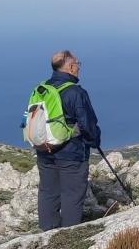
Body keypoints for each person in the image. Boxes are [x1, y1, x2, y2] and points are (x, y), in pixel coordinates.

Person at [36, 50, 101, 230]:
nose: (79, 67)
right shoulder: (76, 92)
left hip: (45, 150)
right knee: (72, 195)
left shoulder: (42, 89)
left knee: (48, 193)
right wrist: (94, 140)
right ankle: (68, 235)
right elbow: (88, 124)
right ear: (71, 67)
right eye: (77, 64)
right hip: (71, 154)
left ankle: (46, 236)